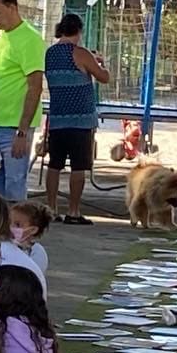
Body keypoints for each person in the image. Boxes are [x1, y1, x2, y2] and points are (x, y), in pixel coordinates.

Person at [0, 0, 46, 202]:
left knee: (14, 183)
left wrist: (22, 131)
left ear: (12, 7)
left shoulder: (30, 39)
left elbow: (35, 86)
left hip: (14, 127)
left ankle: (16, 232)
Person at [43, 12, 108, 224]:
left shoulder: (50, 53)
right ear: (78, 31)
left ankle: (51, 208)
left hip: (58, 118)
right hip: (80, 120)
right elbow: (103, 77)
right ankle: (73, 210)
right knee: (78, 167)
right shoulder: (80, 52)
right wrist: (100, 62)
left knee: (55, 164)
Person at [9, 201, 51, 276]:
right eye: (9, 222)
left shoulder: (36, 251)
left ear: (33, 230)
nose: (10, 227)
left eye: (17, 225)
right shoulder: (1, 244)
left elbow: (34, 274)